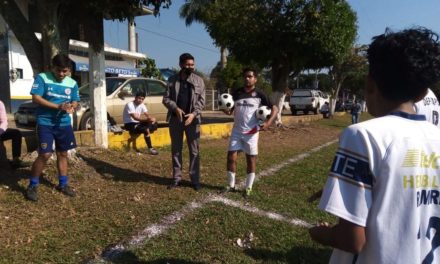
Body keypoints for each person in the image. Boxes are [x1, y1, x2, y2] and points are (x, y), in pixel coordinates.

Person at [308, 28, 440, 263]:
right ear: (421, 93)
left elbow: (353, 240)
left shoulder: (361, 136)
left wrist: (322, 234)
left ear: (370, 83)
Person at [26, 54, 80, 202]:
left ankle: (63, 184)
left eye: (65, 71)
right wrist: (58, 106)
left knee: (63, 153)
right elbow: (35, 97)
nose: (62, 74)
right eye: (58, 70)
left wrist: (71, 106)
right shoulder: (42, 78)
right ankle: (32, 185)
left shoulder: (72, 83)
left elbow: (75, 100)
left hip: (63, 124)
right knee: (45, 154)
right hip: (45, 122)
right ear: (52, 67)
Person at [222, 68, 278, 197]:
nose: (247, 79)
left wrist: (268, 123)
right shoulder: (237, 93)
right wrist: (224, 108)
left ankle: (248, 187)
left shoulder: (260, 94)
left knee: (250, 159)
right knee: (231, 157)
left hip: (252, 132)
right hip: (237, 131)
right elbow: (230, 111)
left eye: (250, 76)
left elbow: (275, 108)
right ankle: (230, 185)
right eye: (245, 76)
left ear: (255, 79)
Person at [162, 53, 206, 191]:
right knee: (176, 150)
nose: (190, 67)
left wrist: (193, 114)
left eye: (192, 64)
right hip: (176, 120)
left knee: (194, 152)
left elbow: (202, 101)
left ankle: (195, 180)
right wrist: (175, 108)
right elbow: (166, 99)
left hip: (192, 121)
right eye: (187, 64)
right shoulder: (172, 80)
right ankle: (177, 178)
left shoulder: (199, 81)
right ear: (181, 64)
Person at [0, 100, 30, 169]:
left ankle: (16, 160)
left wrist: (0, 131)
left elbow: (4, 121)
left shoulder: (0, 103)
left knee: (16, 133)